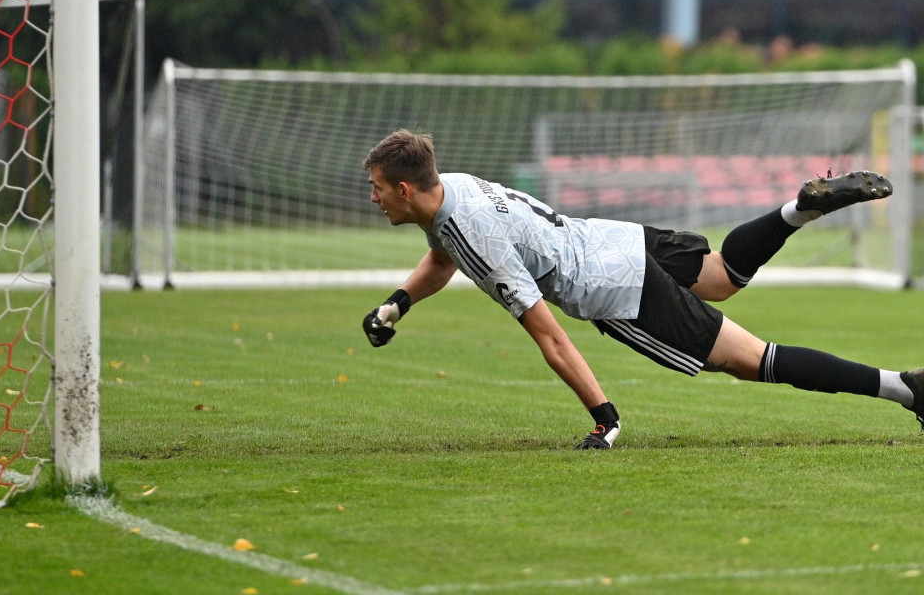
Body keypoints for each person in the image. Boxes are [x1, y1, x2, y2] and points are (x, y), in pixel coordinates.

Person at [360, 128, 924, 449]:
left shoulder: (471, 233)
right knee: (723, 275)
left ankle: (907, 388)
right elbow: (441, 256)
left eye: (379, 188)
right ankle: (797, 210)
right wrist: (398, 303)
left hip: (613, 285)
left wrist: (604, 417)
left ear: (406, 189)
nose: (375, 198)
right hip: (614, 239)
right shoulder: (450, 190)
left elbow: (550, 336)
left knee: (752, 359)